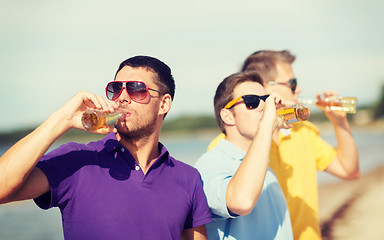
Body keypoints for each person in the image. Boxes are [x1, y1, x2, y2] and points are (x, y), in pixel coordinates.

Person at [0, 56, 212, 240]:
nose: (122, 97)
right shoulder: (77, 160)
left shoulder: (188, 178)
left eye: (136, 89)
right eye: (116, 89)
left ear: (164, 104)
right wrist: (61, 120)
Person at [208, 50, 360, 240]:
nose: (299, 90)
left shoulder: (303, 132)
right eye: (292, 83)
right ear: (265, 87)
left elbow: (349, 170)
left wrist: (339, 122)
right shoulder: (227, 145)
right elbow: (236, 203)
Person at [195, 71, 294, 240]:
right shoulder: (211, 163)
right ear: (227, 116)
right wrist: (266, 126)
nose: (264, 107)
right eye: (252, 101)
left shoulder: (264, 168)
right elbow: (241, 201)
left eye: (267, 100)